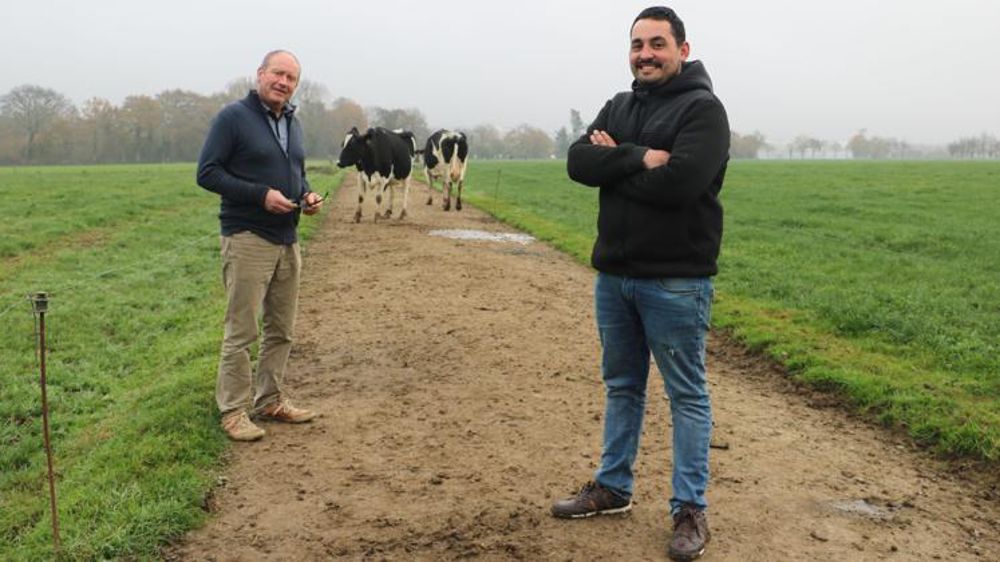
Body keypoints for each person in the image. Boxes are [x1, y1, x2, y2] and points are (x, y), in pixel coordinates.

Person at [550, 7, 729, 561]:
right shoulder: (620, 105)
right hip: (616, 277)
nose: (645, 54)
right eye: (637, 44)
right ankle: (613, 487)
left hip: (676, 281)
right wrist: (638, 158)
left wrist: (614, 165)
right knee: (622, 385)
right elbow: (578, 163)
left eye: (657, 43)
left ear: (682, 49)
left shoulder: (704, 110)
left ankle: (689, 510)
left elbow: (680, 185)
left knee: (686, 395)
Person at [196, 49, 324, 442]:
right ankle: (233, 411)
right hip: (247, 236)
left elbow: (296, 172)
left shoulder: (293, 122)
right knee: (242, 331)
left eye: (291, 78)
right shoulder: (233, 118)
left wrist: (307, 195)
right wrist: (260, 195)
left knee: (282, 329)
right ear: (260, 74)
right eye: (278, 74)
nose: (283, 83)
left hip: (288, 238)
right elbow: (207, 173)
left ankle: (269, 400)